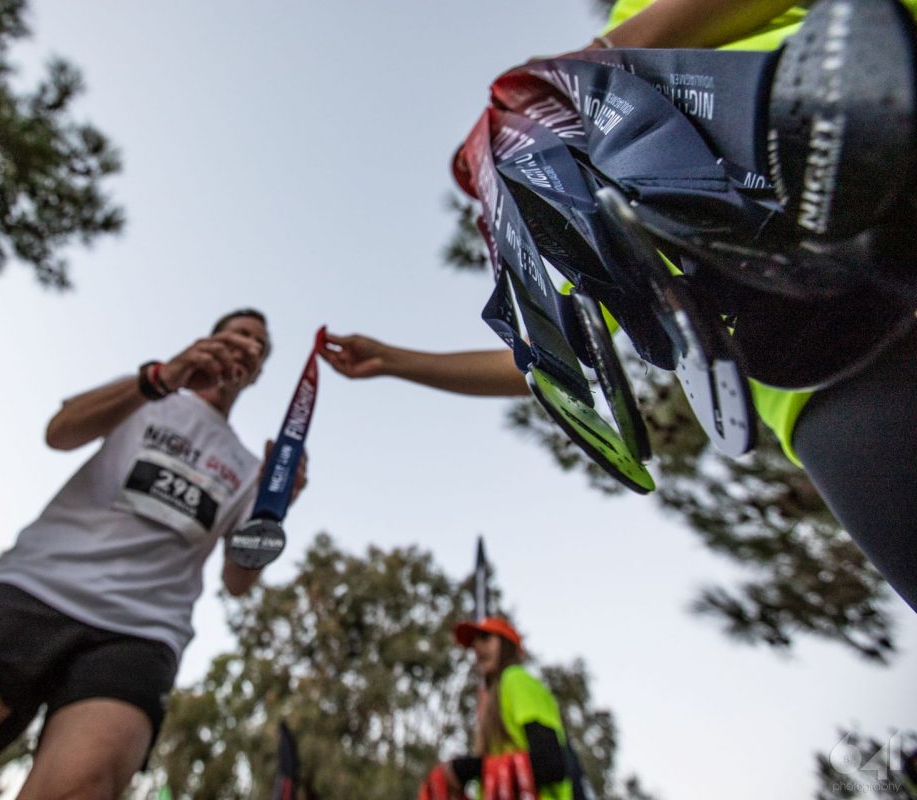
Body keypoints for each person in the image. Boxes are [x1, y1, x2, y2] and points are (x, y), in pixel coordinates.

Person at [322, 0, 917, 614]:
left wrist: (591, 67)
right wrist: (395, 361)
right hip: (815, 371)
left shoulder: (607, 66)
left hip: (864, 116)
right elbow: (545, 362)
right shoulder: (593, 207)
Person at [0, 308, 305, 800]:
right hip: (34, 590)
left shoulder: (246, 465)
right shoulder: (148, 395)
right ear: (211, 339)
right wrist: (164, 374)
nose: (249, 346)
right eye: (240, 334)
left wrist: (275, 508)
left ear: (258, 373)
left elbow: (238, 582)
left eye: (259, 346)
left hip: (141, 629)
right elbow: (61, 431)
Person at [424, 617, 573, 800]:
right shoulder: (492, 702)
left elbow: (551, 765)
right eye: (474, 643)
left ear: (506, 645)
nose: (478, 647)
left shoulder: (515, 679)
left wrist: (466, 768)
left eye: (485, 638)